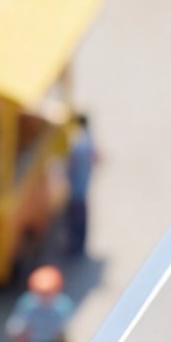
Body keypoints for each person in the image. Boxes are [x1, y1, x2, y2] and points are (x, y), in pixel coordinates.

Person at [60, 113, 96, 266]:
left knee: (74, 219)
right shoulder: (89, 139)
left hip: (76, 187)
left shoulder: (78, 143)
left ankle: (74, 247)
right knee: (81, 218)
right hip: (84, 184)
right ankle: (79, 246)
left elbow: (71, 164)